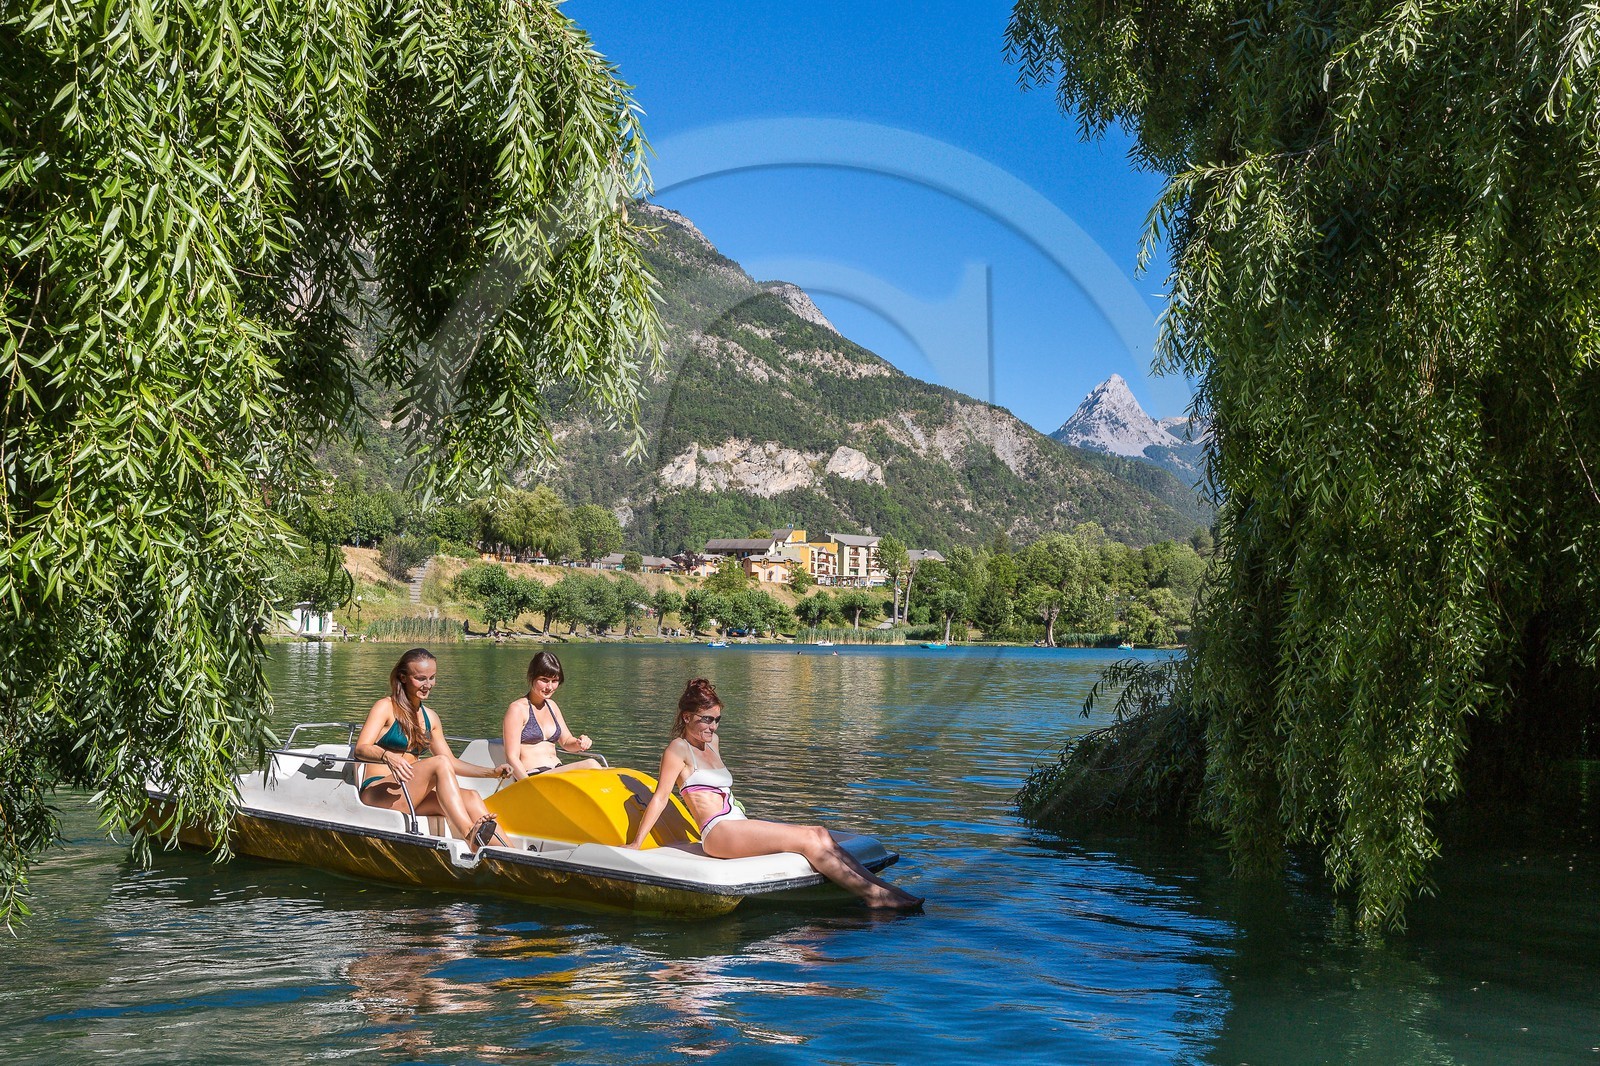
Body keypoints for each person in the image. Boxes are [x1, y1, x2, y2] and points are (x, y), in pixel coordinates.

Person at [628, 678, 923, 911]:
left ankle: (884, 889)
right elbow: (661, 797)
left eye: (717, 720)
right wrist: (636, 844)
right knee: (808, 839)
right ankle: (873, 896)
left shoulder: (713, 742)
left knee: (820, 833)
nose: (712, 726)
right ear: (687, 716)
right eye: (706, 719)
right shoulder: (678, 749)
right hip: (718, 833)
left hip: (737, 824)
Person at [354, 647, 512, 851]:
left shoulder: (431, 718)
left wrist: (491, 773)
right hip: (380, 793)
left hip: (412, 794)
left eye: (432, 678)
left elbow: (451, 762)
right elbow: (361, 748)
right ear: (403, 677)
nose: (428, 685)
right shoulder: (385, 707)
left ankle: (511, 854)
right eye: (420, 678)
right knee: (439, 762)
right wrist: (387, 756)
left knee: (472, 797)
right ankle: (468, 833)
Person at [500, 651, 600, 781]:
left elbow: (566, 742)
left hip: (557, 772)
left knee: (610, 772)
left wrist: (579, 743)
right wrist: (528, 785)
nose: (549, 687)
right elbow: (511, 757)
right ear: (532, 677)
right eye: (544, 680)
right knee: (591, 764)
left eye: (554, 681)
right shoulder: (517, 709)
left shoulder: (552, 706)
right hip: (534, 777)